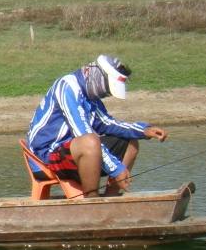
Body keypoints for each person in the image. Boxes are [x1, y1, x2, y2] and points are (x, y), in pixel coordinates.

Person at [27, 54, 167, 197]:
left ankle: (110, 198)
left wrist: (143, 130)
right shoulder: (67, 86)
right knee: (91, 142)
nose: (107, 94)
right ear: (95, 75)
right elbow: (82, 132)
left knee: (130, 142)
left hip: (73, 149)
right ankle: (92, 199)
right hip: (45, 156)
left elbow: (107, 123)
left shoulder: (91, 96)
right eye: (106, 89)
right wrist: (116, 169)